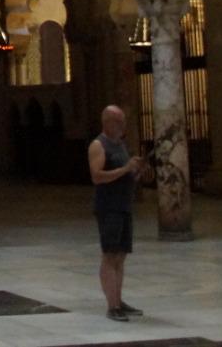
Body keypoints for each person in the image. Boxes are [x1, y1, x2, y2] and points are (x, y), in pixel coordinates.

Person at [88, 105, 144, 321]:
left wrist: (134, 172)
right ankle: (112, 306)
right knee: (110, 255)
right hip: (108, 207)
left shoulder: (120, 144)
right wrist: (124, 169)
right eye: (119, 122)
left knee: (120, 256)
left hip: (124, 206)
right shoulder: (98, 145)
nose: (123, 126)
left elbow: (124, 174)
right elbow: (97, 176)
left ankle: (118, 300)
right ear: (108, 122)